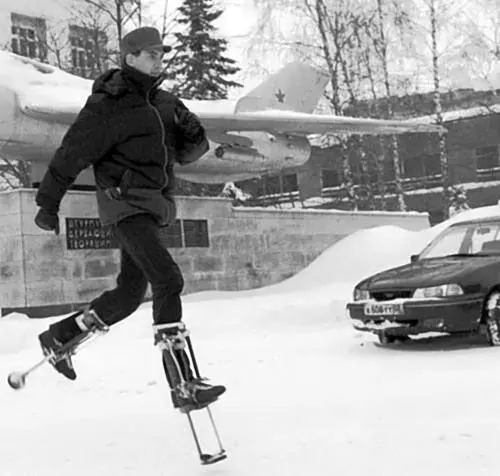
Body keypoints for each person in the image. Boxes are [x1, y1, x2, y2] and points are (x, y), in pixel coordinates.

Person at [34, 26, 225, 412]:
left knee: (128, 295)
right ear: (130, 57)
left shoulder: (166, 103)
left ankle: (61, 335)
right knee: (168, 279)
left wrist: (195, 136)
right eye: (150, 53)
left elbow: (186, 155)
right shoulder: (109, 103)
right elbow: (72, 153)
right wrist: (48, 203)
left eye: (161, 53)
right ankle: (183, 383)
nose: (158, 59)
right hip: (123, 205)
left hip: (153, 206)